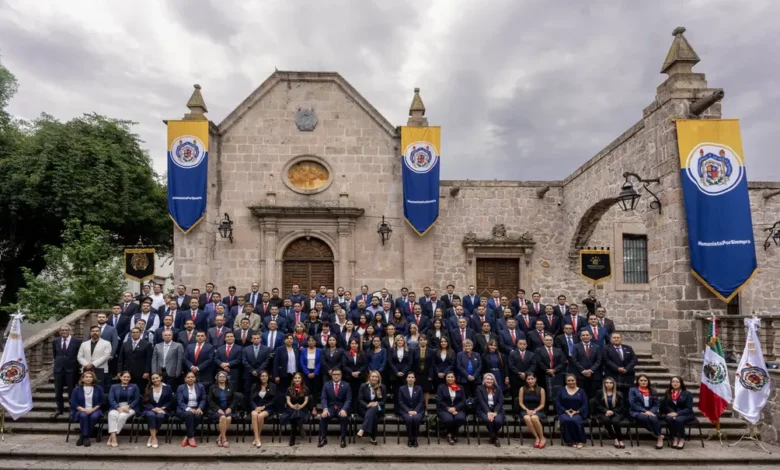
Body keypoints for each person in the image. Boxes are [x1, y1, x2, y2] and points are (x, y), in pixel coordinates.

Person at [52, 325, 83, 419]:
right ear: (59, 332)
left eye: (66, 330)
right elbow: (55, 354)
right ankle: (59, 408)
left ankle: (72, 409)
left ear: (70, 331)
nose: (64, 332)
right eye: (62, 330)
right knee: (58, 390)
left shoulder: (77, 341)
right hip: (58, 369)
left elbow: (79, 354)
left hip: (71, 369)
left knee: (71, 390)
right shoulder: (55, 341)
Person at [70, 370, 105, 447]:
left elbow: (101, 401)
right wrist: (84, 409)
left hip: (95, 409)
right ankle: (86, 437)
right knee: (83, 415)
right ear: (82, 379)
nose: (88, 378)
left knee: (94, 416)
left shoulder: (98, 388)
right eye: (86, 377)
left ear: (93, 378)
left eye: (90, 377)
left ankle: (83, 436)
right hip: (81, 409)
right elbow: (73, 403)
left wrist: (92, 409)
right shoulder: (77, 389)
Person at [318, 369, 351, 448]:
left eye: (338, 374)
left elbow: (348, 399)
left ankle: (343, 439)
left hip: (341, 408)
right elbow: (323, 398)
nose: (336, 376)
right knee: (323, 417)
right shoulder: (326, 385)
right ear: (331, 375)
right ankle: (323, 438)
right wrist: (325, 409)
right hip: (330, 408)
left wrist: (344, 409)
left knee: (344, 417)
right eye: (334, 374)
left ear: (341, 375)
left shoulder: (346, 385)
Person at [629, 374, 664, 449]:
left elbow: (656, 404)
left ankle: (659, 438)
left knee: (653, 418)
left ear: (648, 381)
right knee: (644, 417)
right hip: (637, 411)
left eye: (645, 380)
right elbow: (632, 404)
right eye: (641, 380)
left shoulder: (653, 390)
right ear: (638, 381)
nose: (643, 382)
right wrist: (644, 411)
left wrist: (651, 411)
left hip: (651, 411)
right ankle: (658, 434)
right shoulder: (633, 390)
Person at [106, 371, 140, 447]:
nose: (126, 378)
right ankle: (114, 438)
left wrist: (129, 406)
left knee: (122, 416)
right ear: (120, 377)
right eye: (124, 377)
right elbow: (111, 399)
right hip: (117, 407)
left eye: (128, 377)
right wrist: (117, 407)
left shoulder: (134, 386)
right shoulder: (114, 387)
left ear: (130, 378)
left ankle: (112, 436)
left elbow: (137, 399)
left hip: (130, 407)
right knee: (111, 415)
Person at [661, 376, 695, 450]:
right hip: (671, 412)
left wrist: (677, 414)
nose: (675, 383)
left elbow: (688, 408)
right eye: (673, 382)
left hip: (685, 414)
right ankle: (674, 438)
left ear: (681, 383)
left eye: (677, 382)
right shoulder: (668, 392)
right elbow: (666, 405)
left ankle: (681, 439)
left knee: (679, 420)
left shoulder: (687, 394)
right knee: (669, 419)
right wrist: (672, 412)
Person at [555, 374, 588, 448]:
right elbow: (557, 403)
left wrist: (577, 411)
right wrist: (565, 411)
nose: (570, 382)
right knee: (566, 420)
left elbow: (585, 404)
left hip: (577, 413)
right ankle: (570, 441)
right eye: (568, 380)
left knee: (574, 420)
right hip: (564, 412)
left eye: (572, 380)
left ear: (576, 381)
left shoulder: (581, 391)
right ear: (566, 381)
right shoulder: (561, 390)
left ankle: (580, 440)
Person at [592, 376, 625, 448]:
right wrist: (606, 411)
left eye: (610, 383)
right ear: (604, 384)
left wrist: (612, 412)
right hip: (602, 413)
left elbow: (621, 407)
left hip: (616, 412)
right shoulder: (599, 392)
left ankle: (620, 439)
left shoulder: (619, 394)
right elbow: (597, 405)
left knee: (615, 421)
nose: (608, 384)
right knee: (606, 420)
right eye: (606, 383)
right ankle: (615, 438)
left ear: (613, 384)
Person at [142, 372, 173, 449]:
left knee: (160, 416)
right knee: (151, 415)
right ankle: (154, 439)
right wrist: (153, 408)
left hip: (163, 409)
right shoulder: (148, 387)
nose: (155, 380)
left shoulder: (167, 387)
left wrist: (162, 408)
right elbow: (145, 401)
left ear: (161, 378)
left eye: (157, 378)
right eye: (153, 379)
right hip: (151, 409)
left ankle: (151, 437)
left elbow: (171, 400)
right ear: (151, 380)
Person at [208, 371, 239, 447]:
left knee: (229, 418)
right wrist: (217, 409)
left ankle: (219, 438)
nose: (222, 378)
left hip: (228, 409)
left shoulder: (230, 386)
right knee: (223, 417)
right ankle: (224, 439)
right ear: (217, 378)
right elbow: (210, 400)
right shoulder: (212, 387)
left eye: (224, 377)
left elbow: (235, 399)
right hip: (216, 409)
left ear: (226, 378)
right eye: (220, 377)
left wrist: (230, 408)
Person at [77, 326, 112, 393]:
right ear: (90, 332)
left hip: (100, 369)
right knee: (85, 389)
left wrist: (93, 364)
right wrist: (86, 364)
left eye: (97, 331)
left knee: (99, 389)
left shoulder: (107, 343)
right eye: (93, 331)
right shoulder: (84, 344)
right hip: (86, 369)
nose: (95, 333)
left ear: (100, 332)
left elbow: (106, 356)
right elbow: (79, 356)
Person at [176, 371, 206, 447]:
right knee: (189, 414)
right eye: (188, 377)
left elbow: (203, 399)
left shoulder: (200, 387)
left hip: (197, 408)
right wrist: (189, 409)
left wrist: (200, 408)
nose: (190, 379)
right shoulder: (181, 387)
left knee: (198, 416)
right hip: (183, 409)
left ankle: (187, 436)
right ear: (185, 379)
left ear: (195, 378)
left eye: (192, 377)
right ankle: (191, 438)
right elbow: (180, 401)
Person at [356, 371, 386, 445]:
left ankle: (363, 429)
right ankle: (373, 438)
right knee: (373, 415)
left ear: (379, 378)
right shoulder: (363, 386)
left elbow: (383, 401)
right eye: (373, 376)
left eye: (376, 377)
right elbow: (360, 399)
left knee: (373, 409)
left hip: (378, 408)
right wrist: (367, 405)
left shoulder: (382, 387)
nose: (374, 378)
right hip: (364, 408)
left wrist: (377, 403)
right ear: (369, 377)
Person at [436, 371, 466, 445]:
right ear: (445, 378)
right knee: (448, 419)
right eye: (448, 377)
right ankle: (453, 434)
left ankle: (451, 433)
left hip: (457, 409)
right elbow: (439, 400)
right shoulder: (441, 387)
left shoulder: (460, 387)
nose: (450, 378)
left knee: (460, 418)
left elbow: (463, 401)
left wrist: (455, 408)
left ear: (455, 378)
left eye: (452, 377)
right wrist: (448, 409)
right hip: (444, 409)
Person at [250, 370, 277, 448]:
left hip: (268, 408)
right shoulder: (255, 386)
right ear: (259, 377)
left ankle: (258, 437)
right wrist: (255, 407)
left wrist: (264, 407)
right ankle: (257, 438)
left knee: (260, 416)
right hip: (257, 407)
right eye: (262, 376)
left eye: (265, 376)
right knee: (254, 414)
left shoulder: (273, 386)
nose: (264, 377)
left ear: (268, 377)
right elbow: (251, 399)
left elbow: (274, 400)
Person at [476, 373, 505, 447]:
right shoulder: (480, 388)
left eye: (491, 379)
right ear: (484, 380)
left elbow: (500, 402)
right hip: (483, 409)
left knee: (498, 421)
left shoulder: (498, 388)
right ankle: (494, 438)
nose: (489, 381)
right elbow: (481, 401)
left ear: (494, 380)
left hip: (496, 409)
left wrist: (495, 412)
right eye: (487, 379)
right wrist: (488, 412)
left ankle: (492, 436)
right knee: (489, 420)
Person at [283, 372, 311, 446]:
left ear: (301, 379)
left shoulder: (306, 389)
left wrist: (300, 406)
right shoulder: (289, 389)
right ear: (293, 379)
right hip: (291, 408)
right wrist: (293, 406)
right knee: (295, 412)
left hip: (303, 409)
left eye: (299, 378)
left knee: (296, 413)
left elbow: (306, 400)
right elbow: (288, 400)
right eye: (295, 378)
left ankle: (293, 436)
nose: (297, 379)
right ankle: (300, 427)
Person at [518, 374, 547, 448]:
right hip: (525, 409)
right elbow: (520, 402)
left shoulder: (541, 389)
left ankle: (542, 437)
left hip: (538, 410)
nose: (530, 381)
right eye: (528, 379)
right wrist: (527, 410)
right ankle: (536, 437)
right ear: (526, 380)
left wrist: (535, 411)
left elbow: (542, 404)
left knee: (534, 417)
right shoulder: (522, 389)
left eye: (532, 379)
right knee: (527, 418)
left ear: (535, 379)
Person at [398, 372, 424, 448]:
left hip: (417, 410)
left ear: (415, 379)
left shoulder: (419, 388)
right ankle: (410, 439)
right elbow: (400, 402)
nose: (410, 379)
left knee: (416, 419)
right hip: (405, 411)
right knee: (409, 419)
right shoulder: (401, 388)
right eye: (409, 377)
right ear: (406, 379)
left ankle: (415, 439)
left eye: (412, 377)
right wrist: (408, 411)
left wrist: (415, 411)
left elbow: (421, 401)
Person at [343, 338, 367, 410]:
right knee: (350, 394)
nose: (354, 345)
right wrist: (352, 373)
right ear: (350, 344)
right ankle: (350, 410)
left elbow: (364, 365)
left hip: (360, 377)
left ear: (358, 345)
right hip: (349, 377)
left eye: (356, 343)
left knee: (359, 394)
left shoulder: (362, 353)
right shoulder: (345, 353)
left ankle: (358, 410)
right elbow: (344, 365)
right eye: (352, 343)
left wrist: (358, 372)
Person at [412, 334, 435, 407]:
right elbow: (412, 363)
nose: (422, 341)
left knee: (426, 391)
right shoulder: (414, 351)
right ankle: (417, 408)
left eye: (424, 340)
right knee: (416, 391)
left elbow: (432, 364)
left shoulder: (431, 351)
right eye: (421, 340)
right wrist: (413, 375)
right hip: (417, 374)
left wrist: (431, 375)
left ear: (427, 341)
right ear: (418, 341)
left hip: (427, 375)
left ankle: (425, 408)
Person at [388, 336, 412, 402]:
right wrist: (396, 372)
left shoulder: (408, 350)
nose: (400, 342)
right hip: (394, 374)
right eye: (398, 340)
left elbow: (410, 362)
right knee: (396, 393)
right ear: (396, 341)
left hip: (405, 374)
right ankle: (396, 408)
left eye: (401, 340)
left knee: (405, 392)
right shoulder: (391, 350)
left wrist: (403, 372)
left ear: (404, 341)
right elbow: (390, 362)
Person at [299, 336, 322, 403]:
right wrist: (307, 373)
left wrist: (315, 372)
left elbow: (320, 362)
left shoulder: (320, 350)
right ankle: (307, 405)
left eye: (312, 341)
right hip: (306, 372)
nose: (311, 342)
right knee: (306, 390)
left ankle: (314, 406)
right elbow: (301, 362)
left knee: (315, 390)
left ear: (315, 342)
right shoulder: (304, 350)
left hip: (316, 372)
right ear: (307, 342)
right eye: (309, 341)